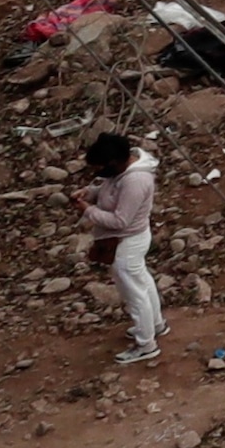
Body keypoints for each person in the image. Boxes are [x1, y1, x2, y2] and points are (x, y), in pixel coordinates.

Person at [77, 132, 161, 366]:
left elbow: (119, 220)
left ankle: (146, 344)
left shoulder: (136, 181)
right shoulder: (123, 170)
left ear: (114, 162)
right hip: (130, 239)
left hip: (126, 241)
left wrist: (87, 209)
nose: (99, 172)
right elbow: (110, 188)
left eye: (102, 166)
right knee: (142, 281)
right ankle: (155, 325)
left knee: (135, 293)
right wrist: (91, 193)